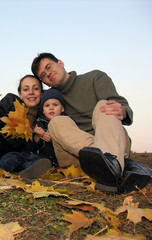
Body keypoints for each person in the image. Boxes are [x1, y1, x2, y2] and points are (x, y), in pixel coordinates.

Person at [31, 52, 152, 193]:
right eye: (43, 75)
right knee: (56, 122)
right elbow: (30, 105)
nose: (48, 74)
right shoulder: (51, 100)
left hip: (113, 141)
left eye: (49, 67)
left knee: (104, 105)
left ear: (60, 63)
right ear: (45, 82)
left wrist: (123, 111)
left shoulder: (95, 78)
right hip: (75, 157)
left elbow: (120, 104)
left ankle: (109, 165)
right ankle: (117, 166)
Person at [0, 88, 65, 179]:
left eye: (55, 105)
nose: (51, 108)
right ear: (43, 110)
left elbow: (66, 143)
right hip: (29, 154)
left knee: (36, 163)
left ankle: (30, 172)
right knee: (12, 156)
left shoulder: (65, 123)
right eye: (47, 106)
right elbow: (30, 145)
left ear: (63, 109)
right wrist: (36, 137)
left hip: (46, 157)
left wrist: (51, 140)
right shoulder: (38, 123)